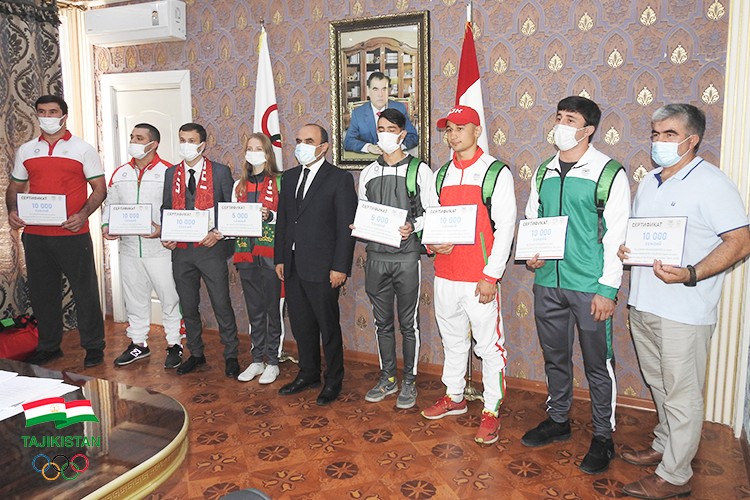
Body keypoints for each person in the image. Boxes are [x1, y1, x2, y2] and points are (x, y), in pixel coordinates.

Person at [618, 104, 750, 499]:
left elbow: (740, 241)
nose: (658, 141)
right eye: (655, 133)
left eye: (669, 134)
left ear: (692, 140)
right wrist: (628, 248)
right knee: (659, 383)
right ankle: (664, 445)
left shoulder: (712, 183)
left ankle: (674, 476)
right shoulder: (649, 181)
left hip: (684, 311)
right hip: (644, 303)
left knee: (682, 393)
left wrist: (692, 273)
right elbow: (644, 235)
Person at [522, 96, 630, 474]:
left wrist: (607, 290)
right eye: (558, 117)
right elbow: (533, 219)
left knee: (598, 364)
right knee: (555, 357)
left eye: (570, 120)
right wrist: (531, 255)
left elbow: (616, 235)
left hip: (589, 286)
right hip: (547, 283)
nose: (561, 125)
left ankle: (603, 435)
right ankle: (558, 419)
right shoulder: (544, 171)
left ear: (588, 130)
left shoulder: (608, 173)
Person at [420, 105, 516, 446]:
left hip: (478, 279)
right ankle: (455, 395)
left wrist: (491, 275)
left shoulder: (495, 172)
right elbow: (430, 220)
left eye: (460, 128)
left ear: (477, 130)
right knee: (452, 341)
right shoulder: (440, 174)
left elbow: (506, 228)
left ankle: (491, 409)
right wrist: (431, 244)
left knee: (488, 346)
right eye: (449, 129)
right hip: (445, 275)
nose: (453, 134)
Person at [5, 95, 106, 368]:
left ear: (64, 116)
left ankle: (94, 347)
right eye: (42, 112)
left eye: (52, 112)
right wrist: (12, 211)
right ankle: (49, 346)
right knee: (42, 294)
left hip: (73, 235)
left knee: (85, 293)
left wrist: (82, 215)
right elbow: (14, 187)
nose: (47, 117)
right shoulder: (27, 150)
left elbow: (99, 189)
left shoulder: (82, 149)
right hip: (36, 236)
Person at [274, 124, 357, 406]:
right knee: (301, 324)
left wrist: (340, 267)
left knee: (327, 326)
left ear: (323, 147)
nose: (302, 146)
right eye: (298, 140)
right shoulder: (289, 177)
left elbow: (345, 228)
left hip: (323, 267)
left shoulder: (339, 179)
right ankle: (308, 373)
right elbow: (284, 222)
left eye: (309, 141)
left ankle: (333, 379)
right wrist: (280, 258)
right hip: (293, 265)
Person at [355, 108, 432, 409]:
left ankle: (409, 381)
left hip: (406, 257)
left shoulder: (419, 170)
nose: (384, 134)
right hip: (376, 256)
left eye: (390, 129)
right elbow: (364, 209)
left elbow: (431, 212)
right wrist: (359, 225)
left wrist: (413, 226)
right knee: (382, 322)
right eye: (380, 129)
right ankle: (388, 377)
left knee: (408, 323)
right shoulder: (368, 173)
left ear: (402, 134)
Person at [161, 122, 240, 377]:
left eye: (191, 141)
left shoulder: (220, 172)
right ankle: (196, 353)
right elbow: (166, 208)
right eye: (182, 140)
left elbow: (229, 209)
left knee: (221, 303)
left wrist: (217, 233)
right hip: (181, 251)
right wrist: (166, 234)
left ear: (202, 145)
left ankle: (231, 354)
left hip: (210, 249)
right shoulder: (171, 173)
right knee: (188, 305)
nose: (185, 145)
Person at [102, 123, 183, 369]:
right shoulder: (120, 173)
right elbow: (110, 204)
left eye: (139, 138)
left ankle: (175, 344)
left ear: (153, 144)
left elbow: (178, 208)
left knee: (170, 298)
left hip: (159, 249)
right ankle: (138, 343)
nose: (133, 142)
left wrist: (164, 230)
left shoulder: (169, 171)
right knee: (134, 299)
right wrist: (106, 225)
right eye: (132, 137)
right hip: (128, 248)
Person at [233, 133, 283, 385]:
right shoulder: (239, 185)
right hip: (245, 254)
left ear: (267, 153)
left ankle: (273, 361)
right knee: (254, 310)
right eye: (249, 148)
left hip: (271, 255)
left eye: (258, 148)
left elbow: (288, 218)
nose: (253, 152)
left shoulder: (280, 181)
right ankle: (257, 359)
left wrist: (269, 216)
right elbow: (232, 217)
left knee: (272, 310)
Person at [344, 72, 418, 154]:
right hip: (369, 158)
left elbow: (413, 136)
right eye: (375, 89)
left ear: (389, 90)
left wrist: (399, 147)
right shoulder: (358, 114)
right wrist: (368, 147)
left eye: (384, 89)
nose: (380, 94)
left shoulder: (399, 108)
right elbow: (348, 141)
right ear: (368, 91)